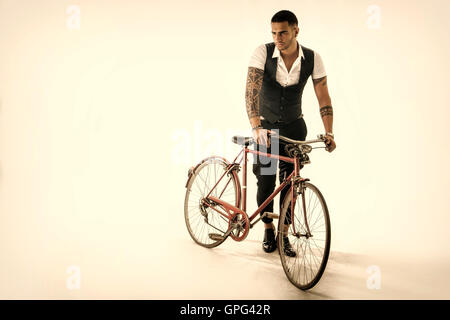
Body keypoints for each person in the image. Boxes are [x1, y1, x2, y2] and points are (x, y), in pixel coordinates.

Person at [245, 10, 336, 256]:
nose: (278, 37)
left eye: (283, 32)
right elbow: (251, 91)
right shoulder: (262, 52)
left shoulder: (313, 58)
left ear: (296, 30)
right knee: (265, 182)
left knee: (291, 184)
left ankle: (284, 235)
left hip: (295, 127)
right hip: (266, 128)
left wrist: (329, 132)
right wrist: (256, 126)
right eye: (274, 32)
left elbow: (323, 96)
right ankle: (267, 228)